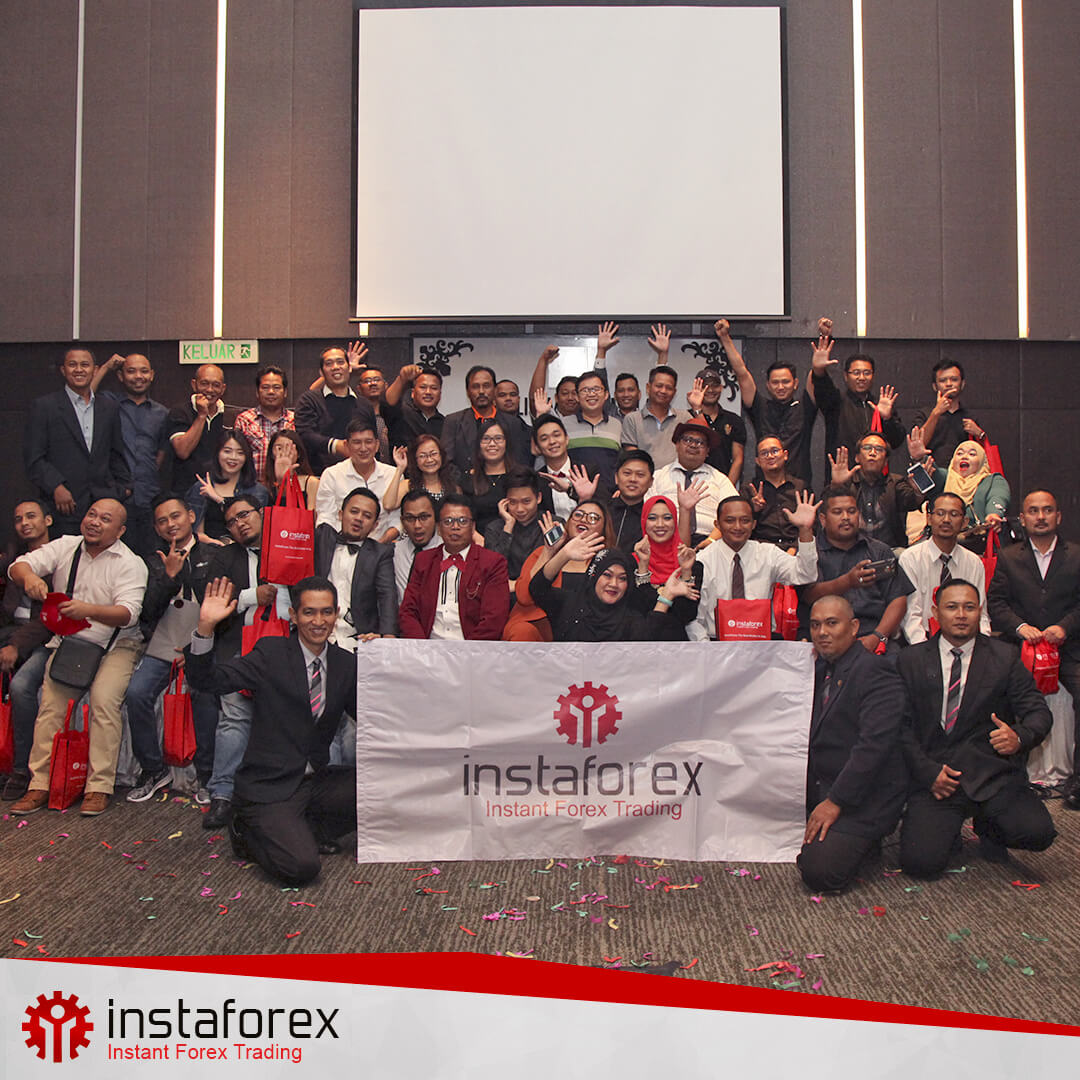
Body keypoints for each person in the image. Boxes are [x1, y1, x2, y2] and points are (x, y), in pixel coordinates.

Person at [184, 576, 358, 885]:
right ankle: (245, 831)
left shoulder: (345, 664)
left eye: (326, 612)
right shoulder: (270, 653)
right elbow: (208, 681)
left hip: (313, 781)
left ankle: (306, 829)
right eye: (309, 612)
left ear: (336, 614)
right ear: (293, 615)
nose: (319, 621)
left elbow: (371, 717)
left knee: (379, 785)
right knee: (302, 868)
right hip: (267, 787)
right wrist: (206, 628)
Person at [897, 579, 1056, 875]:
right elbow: (899, 728)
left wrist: (1019, 737)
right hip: (937, 778)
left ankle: (989, 828)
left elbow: (1038, 712)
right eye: (952, 607)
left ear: (980, 611)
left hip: (991, 775)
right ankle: (948, 833)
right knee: (920, 864)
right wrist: (927, 772)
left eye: (969, 607)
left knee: (1037, 832)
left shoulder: (1005, 657)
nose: (961, 615)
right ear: (935, 612)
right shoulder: (910, 660)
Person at [9, 500, 146, 817]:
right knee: (50, 707)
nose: (95, 522)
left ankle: (99, 787)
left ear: (120, 531)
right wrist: (29, 578)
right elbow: (18, 566)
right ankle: (39, 784)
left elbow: (129, 614)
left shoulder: (130, 562)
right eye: (92, 514)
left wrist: (89, 610)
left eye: (105, 519)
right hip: (71, 644)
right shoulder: (67, 546)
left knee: (103, 700)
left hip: (117, 644)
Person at [797, 596, 909, 893]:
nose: (822, 632)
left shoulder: (876, 671)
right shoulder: (817, 669)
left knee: (820, 871)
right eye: (815, 625)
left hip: (863, 796)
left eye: (832, 623)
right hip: (823, 785)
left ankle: (868, 840)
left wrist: (835, 802)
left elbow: (873, 748)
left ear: (854, 627)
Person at [988, 489, 1080, 809]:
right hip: (1021, 649)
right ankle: (1010, 777)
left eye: (1047, 510)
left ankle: (1078, 779)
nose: (1040, 517)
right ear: (1023, 518)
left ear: (1059, 516)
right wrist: (1020, 627)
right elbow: (996, 603)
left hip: (1068, 649)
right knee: (998, 695)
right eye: (1033, 511)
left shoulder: (1077, 555)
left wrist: (1064, 627)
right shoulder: (1008, 557)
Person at [124, 494, 218, 804]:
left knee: (204, 694)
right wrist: (169, 577)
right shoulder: (151, 561)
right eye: (162, 521)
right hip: (163, 641)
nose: (170, 524)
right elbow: (147, 612)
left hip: (203, 641)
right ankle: (153, 769)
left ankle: (207, 774)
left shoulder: (214, 553)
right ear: (156, 528)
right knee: (137, 693)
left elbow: (220, 602)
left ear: (190, 516)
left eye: (175, 516)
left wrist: (199, 646)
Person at [199, 494, 276, 829]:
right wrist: (250, 596)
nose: (240, 524)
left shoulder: (286, 546)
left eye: (244, 515)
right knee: (233, 718)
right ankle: (222, 794)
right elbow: (214, 599)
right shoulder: (225, 557)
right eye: (231, 521)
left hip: (285, 646)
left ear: (262, 513)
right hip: (238, 648)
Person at [24, 348, 131, 536]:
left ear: (95, 370)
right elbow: (34, 458)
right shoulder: (45, 407)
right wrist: (56, 486)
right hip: (64, 506)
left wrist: (125, 489)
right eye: (72, 365)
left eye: (85, 365)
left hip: (103, 504)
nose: (79, 370)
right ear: (63, 370)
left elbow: (116, 453)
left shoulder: (109, 407)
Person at [690, 493, 820, 641]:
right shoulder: (702, 561)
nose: (737, 527)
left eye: (745, 521)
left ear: (753, 524)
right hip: (716, 642)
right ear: (717, 525)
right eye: (730, 521)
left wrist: (805, 530)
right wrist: (708, 649)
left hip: (762, 642)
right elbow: (694, 619)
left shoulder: (768, 553)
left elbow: (805, 574)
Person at [801, 484, 914, 648]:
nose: (846, 517)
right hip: (824, 639)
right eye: (837, 512)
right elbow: (809, 595)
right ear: (823, 519)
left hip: (872, 635)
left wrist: (877, 637)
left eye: (852, 511)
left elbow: (898, 599)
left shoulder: (879, 550)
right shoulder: (811, 553)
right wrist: (848, 582)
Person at [530, 534, 697, 641]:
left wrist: (667, 595)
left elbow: (648, 637)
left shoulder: (630, 618)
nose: (614, 584)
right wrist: (564, 554)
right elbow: (537, 589)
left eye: (622, 578)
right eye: (607, 575)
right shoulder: (568, 603)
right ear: (594, 576)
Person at [0, 500, 55, 800]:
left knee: (21, 687)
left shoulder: (60, 559)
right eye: (18, 518)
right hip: (12, 634)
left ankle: (22, 769)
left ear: (48, 520)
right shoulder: (16, 560)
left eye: (31, 516)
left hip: (46, 639)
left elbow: (48, 620)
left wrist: (15, 646)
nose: (24, 523)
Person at [89, 351, 169, 557]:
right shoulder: (109, 404)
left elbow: (161, 454)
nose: (138, 376)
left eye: (144, 371)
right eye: (131, 371)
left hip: (150, 496)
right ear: (120, 376)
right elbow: (85, 398)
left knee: (151, 556)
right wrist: (106, 367)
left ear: (152, 375)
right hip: (118, 496)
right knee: (114, 556)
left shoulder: (162, 413)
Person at [722, 318, 819, 485]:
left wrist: (824, 336)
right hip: (764, 487)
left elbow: (817, 372)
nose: (780, 387)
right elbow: (741, 372)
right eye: (775, 382)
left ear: (795, 383)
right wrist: (724, 337)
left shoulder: (805, 407)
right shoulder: (760, 407)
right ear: (768, 385)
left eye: (786, 382)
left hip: (798, 487)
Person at [399, 495, 510, 640]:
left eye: (463, 521)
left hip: (473, 648)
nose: (455, 527)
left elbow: (494, 620)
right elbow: (408, 611)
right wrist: (423, 647)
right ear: (439, 528)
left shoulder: (492, 563)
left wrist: (466, 651)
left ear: (473, 527)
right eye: (448, 521)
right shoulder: (423, 560)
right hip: (428, 647)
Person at [504, 501, 617, 642]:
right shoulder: (543, 552)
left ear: (604, 528)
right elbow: (525, 597)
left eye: (593, 517)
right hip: (538, 630)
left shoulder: (609, 562)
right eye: (578, 515)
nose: (583, 519)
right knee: (522, 631)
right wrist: (549, 551)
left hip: (585, 631)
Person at [313, 486, 398, 650]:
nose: (359, 519)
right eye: (354, 512)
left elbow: (387, 594)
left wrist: (388, 637)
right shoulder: (322, 540)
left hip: (359, 639)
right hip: (318, 633)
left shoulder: (380, 553)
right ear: (340, 514)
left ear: (375, 525)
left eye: (367, 516)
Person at [900, 491, 990, 644]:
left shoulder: (974, 562)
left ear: (964, 522)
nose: (946, 520)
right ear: (929, 518)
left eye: (954, 514)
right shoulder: (910, 559)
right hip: (923, 640)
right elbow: (911, 615)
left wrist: (983, 648)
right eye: (940, 513)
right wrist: (925, 650)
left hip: (965, 640)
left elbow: (981, 613)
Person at [810, 337, 904, 465]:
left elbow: (896, 442)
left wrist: (887, 419)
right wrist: (819, 371)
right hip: (843, 473)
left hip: (876, 474)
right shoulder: (836, 402)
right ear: (846, 376)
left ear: (873, 376)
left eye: (867, 373)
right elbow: (823, 388)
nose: (861, 378)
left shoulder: (881, 404)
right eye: (856, 373)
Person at [647, 418, 738, 544]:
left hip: (711, 541)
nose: (693, 445)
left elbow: (734, 514)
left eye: (700, 442)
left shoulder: (720, 480)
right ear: (677, 445)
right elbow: (646, 514)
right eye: (688, 440)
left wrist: (711, 541)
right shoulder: (657, 477)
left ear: (707, 451)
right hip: (666, 540)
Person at [828, 433, 923, 549]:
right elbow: (826, 513)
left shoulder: (895, 483)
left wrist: (918, 462)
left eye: (879, 449)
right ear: (857, 457)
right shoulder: (847, 483)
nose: (872, 453)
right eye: (867, 448)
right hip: (852, 550)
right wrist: (837, 485)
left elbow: (913, 501)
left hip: (889, 551)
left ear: (886, 461)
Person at [294, 346, 376, 474]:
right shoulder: (309, 400)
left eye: (340, 362)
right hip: (319, 476)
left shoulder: (365, 404)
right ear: (321, 372)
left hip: (360, 475)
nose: (335, 367)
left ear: (349, 368)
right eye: (329, 364)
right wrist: (336, 445)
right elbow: (305, 435)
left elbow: (373, 440)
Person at [314, 419, 399, 541]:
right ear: (347, 446)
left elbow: (397, 520)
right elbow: (325, 518)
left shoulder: (393, 475)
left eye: (368, 442)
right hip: (341, 544)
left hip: (382, 545)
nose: (363, 448)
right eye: (357, 442)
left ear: (377, 445)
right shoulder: (331, 475)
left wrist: (379, 545)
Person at [630, 496, 701, 638]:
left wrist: (686, 572)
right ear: (643, 522)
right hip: (639, 643)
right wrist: (643, 566)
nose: (660, 524)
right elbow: (641, 609)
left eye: (667, 518)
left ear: (675, 521)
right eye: (652, 518)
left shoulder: (691, 564)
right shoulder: (630, 562)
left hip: (677, 644)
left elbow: (686, 615)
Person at [186, 429, 270, 544]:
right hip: (209, 549)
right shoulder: (202, 486)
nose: (233, 457)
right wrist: (214, 543)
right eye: (227, 451)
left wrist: (218, 499)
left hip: (245, 550)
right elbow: (194, 532)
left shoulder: (258, 491)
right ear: (218, 453)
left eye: (240, 453)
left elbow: (257, 534)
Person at [915, 438, 1010, 534]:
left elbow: (998, 495)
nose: (964, 457)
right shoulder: (946, 478)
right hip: (941, 538)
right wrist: (920, 459)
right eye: (959, 453)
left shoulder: (993, 481)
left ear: (982, 460)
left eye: (972, 454)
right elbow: (933, 473)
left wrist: (994, 513)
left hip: (977, 538)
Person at [164, 363, 229, 498]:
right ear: (194, 385)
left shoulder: (229, 416)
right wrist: (202, 415)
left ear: (223, 389)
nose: (210, 389)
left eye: (216, 385)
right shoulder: (180, 412)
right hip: (184, 491)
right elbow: (182, 451)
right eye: (204, 383)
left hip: (220, 489)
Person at [620, 360, 692, 472]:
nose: (663, 391)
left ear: (674, 392)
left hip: (677, 479)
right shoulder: (632, 419)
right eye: (659, 386)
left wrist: (697, 408)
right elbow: (633, 458)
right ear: (648, 388)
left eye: (669, 388)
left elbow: (701, 446)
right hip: (645, 480)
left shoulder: (684, 418)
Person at [912, 360, 986, 467]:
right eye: (943, 380)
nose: (949, 384)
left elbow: (982, 455)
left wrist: (979, 434)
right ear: (935, 386)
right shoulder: (924, 414)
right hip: (932, 471)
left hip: (963, 473)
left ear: (962, 384)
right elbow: (918, 446)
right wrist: (936, 413)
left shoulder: (970, 417)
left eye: (954, 379)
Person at [558, 371, 624, 491]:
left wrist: (620, 488)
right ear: (577, 396)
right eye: (585, 390)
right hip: (573, 494)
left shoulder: (617, 425)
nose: (591, 394)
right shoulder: (563, 425)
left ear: (606, 395)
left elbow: (622, 463)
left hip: (609, 495)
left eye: (596, 389)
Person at [742, 436, 806, 549]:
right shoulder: (750, 489)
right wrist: (753, 510)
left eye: (775, 451)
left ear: (785, 455)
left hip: (796, 548)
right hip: (761, 549)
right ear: (757, 461)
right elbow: (740, 528)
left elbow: (812, 525)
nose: (770, 456)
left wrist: (794, 548)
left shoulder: (800, 487)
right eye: (764, 453)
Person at [233, 366, 296, 479]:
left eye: (276, 387)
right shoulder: (244, 420)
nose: (271, 392)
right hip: (252, 484)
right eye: (265, 387)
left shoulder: (295, 420)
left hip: (287, 483)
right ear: (257, 392)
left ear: (285, 392)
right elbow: (235, 455)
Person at [483, 467, 545, 582]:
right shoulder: (494, 528)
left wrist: (518, 585)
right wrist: (508, 527)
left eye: (526, 501)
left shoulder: (552, 524)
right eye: (513, 502)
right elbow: (492, 568)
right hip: (505, 588)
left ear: (538, 498)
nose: (519, 509)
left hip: (542, 588)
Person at [686, 368, 746, 485]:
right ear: (697, 389)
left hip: (722, 483)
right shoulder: (686, 418)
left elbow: (738, 459)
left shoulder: (734, 420)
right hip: (692, 483)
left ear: (721, 388)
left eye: (715, 385)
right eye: (705, 386)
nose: (710, 390)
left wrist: (727, 488)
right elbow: (706, 440)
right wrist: (697, 409)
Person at [440, 365, 500, 474]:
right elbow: (446, 462)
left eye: (486, 386)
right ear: (468, 392)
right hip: (464, 483)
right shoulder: (453, 421)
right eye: (475, 387)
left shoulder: (512, 423)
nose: (481, 391)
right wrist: (467, 479)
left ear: (495, 390)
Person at [467, 416, 519, 537]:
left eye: (498, 438)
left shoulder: (519, 476)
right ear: (479, 444)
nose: (492, 444)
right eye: (486, 439)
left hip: (517, 539)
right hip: (478, 541)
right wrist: (477, 538)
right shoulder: (468, 479)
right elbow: (463, 515)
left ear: (506, 443)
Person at [383, 434, 462, 512]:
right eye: (422, 456)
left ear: (441, 456)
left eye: (433, 454)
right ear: (415, 460)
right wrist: (400, 468)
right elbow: (388, 505)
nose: (429, 460)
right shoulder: (408, 486)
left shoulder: (454, 488)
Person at [393, 491, 440, 602]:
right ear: (402, 521)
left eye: (424, 517)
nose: (417, 525)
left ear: (436, 517)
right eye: (410, 518)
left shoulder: (448, 551)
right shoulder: (394, 552)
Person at [383, 364, 444, 448]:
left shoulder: (446, 424)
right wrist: (401, 379)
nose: (428, 392)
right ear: (412, 393)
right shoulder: (401, 413)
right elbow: (389, 402)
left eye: (434, 388)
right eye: (423, 387)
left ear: (440, 394)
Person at [532, 413, 580, 521]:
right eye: (544, 439)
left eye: (556, 435)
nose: (552, 442)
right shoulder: (536, 481)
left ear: (567, 439)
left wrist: (571, 491)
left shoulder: (587, 471)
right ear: (537, 448)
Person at [608, 449, 655, 553]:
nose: (633, 479)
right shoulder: (603, 511)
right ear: (616, 478)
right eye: (627, 473)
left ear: (651, 482)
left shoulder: (653, 519)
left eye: (640, 475)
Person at [263, 429, 321, 508]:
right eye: (279, 448)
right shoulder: (266, 485)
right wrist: (281, 481)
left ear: (299, 453)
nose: (284, 453)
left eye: (289, 448)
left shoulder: (311, 482)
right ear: (271, 454)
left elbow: (312, 513)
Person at [494, 379, 533, 466]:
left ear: (518, 399)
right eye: (502, 395)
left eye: (513, 394)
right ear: (494, 401)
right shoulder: (487, 430)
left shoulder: (530, 432)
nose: (508, 398)